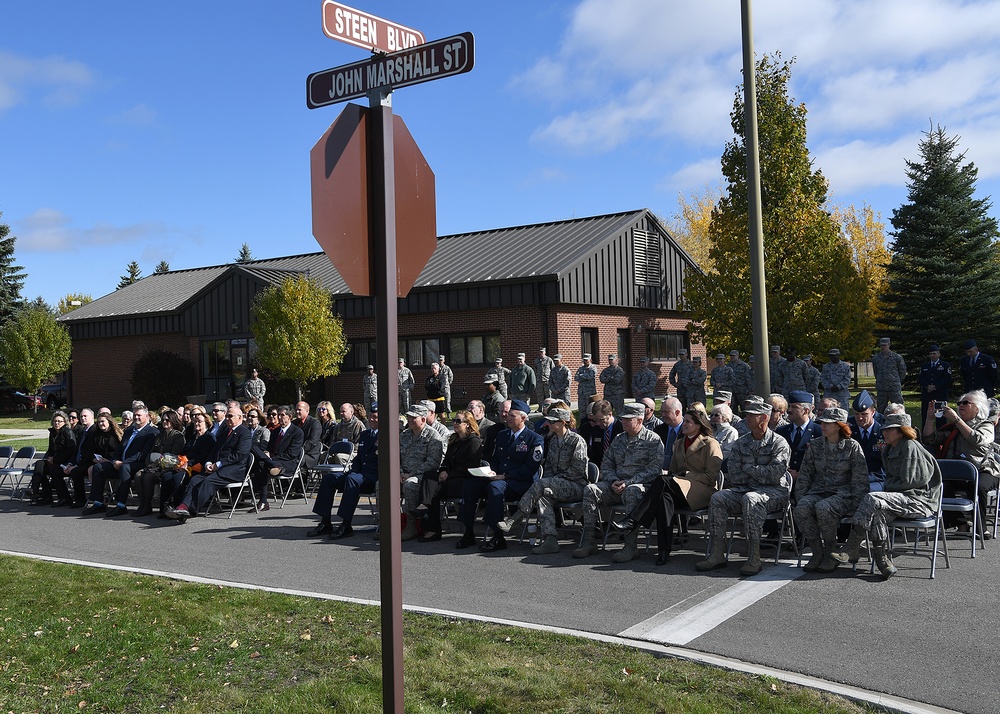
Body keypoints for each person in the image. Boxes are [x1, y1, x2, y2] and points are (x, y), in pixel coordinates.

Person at [835, 412, 942, 579]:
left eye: (889, 430)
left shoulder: (910, 447)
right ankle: (883, 559)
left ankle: (852, 546)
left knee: (872, 498)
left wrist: (887, 487)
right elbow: (893, 482)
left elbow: (911, 482)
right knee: (876, 511)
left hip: (919, 501)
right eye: (884, 429)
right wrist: (888, 487)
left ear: (901, 431)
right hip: (901, 499)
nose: (884, 432)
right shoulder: (889, 449)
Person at [612, 408, 722, 565]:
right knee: (663, 498)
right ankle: (664, 551)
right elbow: (673, 471)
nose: (684, 424)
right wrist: (678, 477)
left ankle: (634, 519)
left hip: (701, 492)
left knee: (663, 481)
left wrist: (686, 476)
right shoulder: (679, 443)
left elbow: (711, 478)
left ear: (698, 425)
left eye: (688, 422)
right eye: (684, 421)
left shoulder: (710, 443)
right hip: (679, 489)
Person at [696, 396, 791, 576]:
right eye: (747, 415)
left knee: (751, 499)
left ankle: (754, 557)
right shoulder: (742, 442)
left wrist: (748, 469)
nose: (747, 418)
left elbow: (775, 474)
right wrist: (757, 472)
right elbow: (733, 472)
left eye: (751, 415)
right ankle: (717, 553)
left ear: (764, 418)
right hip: (744, 488)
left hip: (774, 493)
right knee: (718, 498)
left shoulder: (778, 443)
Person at [574, 402, 664, 561]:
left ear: (640, 420)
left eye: (628, 420)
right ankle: (588, 541)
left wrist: (628, 482)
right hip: (616, 486)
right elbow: (607, 464)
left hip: (640, 488)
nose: (623, 422)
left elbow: (654, 470)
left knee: (632, 492)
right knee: (590, 490)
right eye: (623, 419)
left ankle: (630, 546)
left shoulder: (653, 440)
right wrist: (613, 480)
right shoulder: (619, 439)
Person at [497, 407, 589, 554]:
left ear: (563, 422)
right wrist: (550, 481)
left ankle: (516, 518)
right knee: (543, 498)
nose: (549, 424)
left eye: (553, 422)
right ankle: (550, 540)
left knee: (541, 484)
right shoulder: (553, 441)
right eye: (549, 421)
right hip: (556, 485)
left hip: (576, 485)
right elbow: (549, 467)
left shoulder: (576, 441)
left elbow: (577, 470)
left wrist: (552, 481)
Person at [458, 400, 544, 552]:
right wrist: (491, 471)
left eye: (512, 415)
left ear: (523, 418)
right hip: (499, 479)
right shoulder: (502, 435)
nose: (508, 418)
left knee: (495, 488)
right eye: (508, 415)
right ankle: (468, 531)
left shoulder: (535, 439)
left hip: (521, 483)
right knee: (470, 485)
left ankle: (498, 536)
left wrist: (504, 476)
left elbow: (529, 469)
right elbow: (496, 459)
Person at [792, 407, 868, 573]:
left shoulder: (851, 446)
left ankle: (830, 551)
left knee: (824, 508)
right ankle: (817, 551)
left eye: (828, 423)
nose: (823, 426)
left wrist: (857, 503)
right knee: (802, 508)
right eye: (822, 423)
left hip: (843, 494)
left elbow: (859, 478)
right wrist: (801, 496)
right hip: (819, 491)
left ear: (839, 425)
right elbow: (805, 473)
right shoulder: (816, 445)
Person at [922, 389, 998, 534]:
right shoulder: (953, 428)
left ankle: (981, 529)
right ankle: (961, 523)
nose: (960, 405)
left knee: (977, 487)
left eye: (966, 403)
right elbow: (929, 439)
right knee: (941, 485)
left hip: (984, 469)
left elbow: (977, 439)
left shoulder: (986, 425)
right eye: (959, 403)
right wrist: (930, 419)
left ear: (978, 408)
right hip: (958, 472)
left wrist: (957, 420)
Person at [167, 405, 252, 522]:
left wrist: (218, 464)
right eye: (226, 416)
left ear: (240, 418)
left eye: (230, 416)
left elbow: (239, 455)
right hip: (217, 467)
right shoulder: (224, 432)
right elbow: (214, 451)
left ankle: (191, 510)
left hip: (234, 469)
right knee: (195, 479)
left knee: (208, 481)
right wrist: (208, 463)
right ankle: (183, 506)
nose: (227, 418)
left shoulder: (244, 433)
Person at [308, 402, 380, 539]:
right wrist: (352, 471)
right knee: (329, 479)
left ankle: (346, 525)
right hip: (358, 474)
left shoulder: (386, 436)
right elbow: (359, 458)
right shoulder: (365, 435)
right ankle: (325, 522)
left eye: (375, 417)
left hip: (372, 477)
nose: (372, 419)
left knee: (352, 479)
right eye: (370, 416)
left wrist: (354, 474)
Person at [416, 410, 483, 542]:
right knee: (429, 475)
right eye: (454, 421)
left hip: (464, 480)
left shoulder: (474, 442)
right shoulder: (454, 440)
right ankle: (425, 507)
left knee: (433, 492)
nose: (455, 423)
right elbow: (446, 461)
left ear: (468, 424)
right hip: (450, 478)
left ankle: (430, 523)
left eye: (458, 421)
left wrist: (449, 474)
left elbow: (470, 467)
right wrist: (443, 470)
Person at [84, 407, 158, 516]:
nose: (136, 417)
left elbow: (142, 454)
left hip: (137, 464)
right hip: (121, 463)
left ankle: (121, 505)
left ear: (146, 417)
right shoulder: (128, 431)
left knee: (125, 468)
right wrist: (113, 461)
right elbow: (119, 449)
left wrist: (123, 463)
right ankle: (98, 503)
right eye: (135, 415)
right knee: (98, 468)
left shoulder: (152, 432)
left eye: (139, 415)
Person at [399, 404, 446, 541]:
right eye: (409, 417)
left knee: (409, 485)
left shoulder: (433, 436)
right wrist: (399, 472)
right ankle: (387, 524)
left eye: (414, 417)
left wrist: (411, 474)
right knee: (381, 484)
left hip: (420, 475)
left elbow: (433, 463)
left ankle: (411, 527)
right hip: (403, 473)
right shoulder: (404, 435)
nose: (410, 420)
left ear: (423, 420)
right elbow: (396, 456)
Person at [157, 410, 216, 518]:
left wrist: (188, 463)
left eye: (200, 422)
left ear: (206, 423)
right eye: (195, 422)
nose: (197, 424)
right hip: (184, 465)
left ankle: (179, 509)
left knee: (178, 478)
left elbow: (204, 455)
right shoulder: (193, 437)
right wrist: (178, 462)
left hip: (197, 467)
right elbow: (184, 452)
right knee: (167, 476)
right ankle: (164, 509)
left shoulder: (209, 438)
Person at [249, 404, 304, 512]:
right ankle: (262, 500)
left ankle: (263, 500)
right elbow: (269, 448)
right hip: (273, 461)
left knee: (263, 464)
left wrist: (272, 458)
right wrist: (267, 454)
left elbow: (291, 454)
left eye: (282, 415)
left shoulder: (297, 432)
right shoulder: (274, 432)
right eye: (278, 415)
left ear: (290, 417)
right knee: (254, 450)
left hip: (288, 462)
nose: (279, 417)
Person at [132, 410, 186, 517]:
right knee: (138, 475)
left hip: (168, 466)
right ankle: (143, 505)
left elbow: (174, 455)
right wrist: (149, 463)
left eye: (167, 419)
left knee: (148, 477)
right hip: (155, 465)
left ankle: (147, 506)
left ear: (173, 421)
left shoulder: (178, 436)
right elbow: (151, 452)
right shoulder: (160, 436)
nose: (165, 422)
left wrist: (160, 461)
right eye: (163, 419)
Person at [28, 411, 77, 506]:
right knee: (40, 465)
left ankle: (64, 498)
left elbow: (71, 451)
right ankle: (41, 494)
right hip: (54, 460)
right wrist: (47, 458)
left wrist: (55, 460)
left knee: (54, 470)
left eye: (59, 421)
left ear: (64, 422)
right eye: (55, 421)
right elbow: (50, 449)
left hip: (65, 463)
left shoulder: (68, 432)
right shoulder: (53, 433)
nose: (57, 423)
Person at [775, 391, 823, 479]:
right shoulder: (781, 431)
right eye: (789, 406)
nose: (789, 410)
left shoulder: (819, 431)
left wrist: (800, 475)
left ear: (806, 411)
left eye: (794, 407)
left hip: (810, 483)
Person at [578, 400, 623, 466]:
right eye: (596, 420)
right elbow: (594, 454)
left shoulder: (621, 428)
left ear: (610, 414)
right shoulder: (596, 429)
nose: (598, 423)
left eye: (602, 420)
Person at [918, 345, 952, 424]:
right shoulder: (924, 366)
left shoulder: (945, 365)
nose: (932, 355)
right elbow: (921, 378)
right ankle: (926, 434)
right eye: (931, 354)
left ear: (939, 354)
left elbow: (947, 379)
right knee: (925, 417)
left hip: (940, 395)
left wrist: (935, 387)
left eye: (934, 353)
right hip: (927, 395)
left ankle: (941, 435)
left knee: (941, 418)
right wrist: (927, 386)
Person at [871, 337, 907, 412]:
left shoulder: (897, 357)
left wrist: (895, 381)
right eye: (881, 345)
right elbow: (876, 371)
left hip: (894, 388)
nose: (883, 347)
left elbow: (902, 372)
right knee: (881, 408)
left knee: (898, 407)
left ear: (889, 345)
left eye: (885, 345)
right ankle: (882, 423)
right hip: (882, 388)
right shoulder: (876, 358)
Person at [293, 401, 323, 469]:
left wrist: (296, 451)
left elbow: (312, 442)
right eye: (296, 410)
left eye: (299, 410)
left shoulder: (315, 424)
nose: (297, 412)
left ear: (307, 411)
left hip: (309, 456)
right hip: (295, 453)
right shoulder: (294, 423)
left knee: (291, 461)